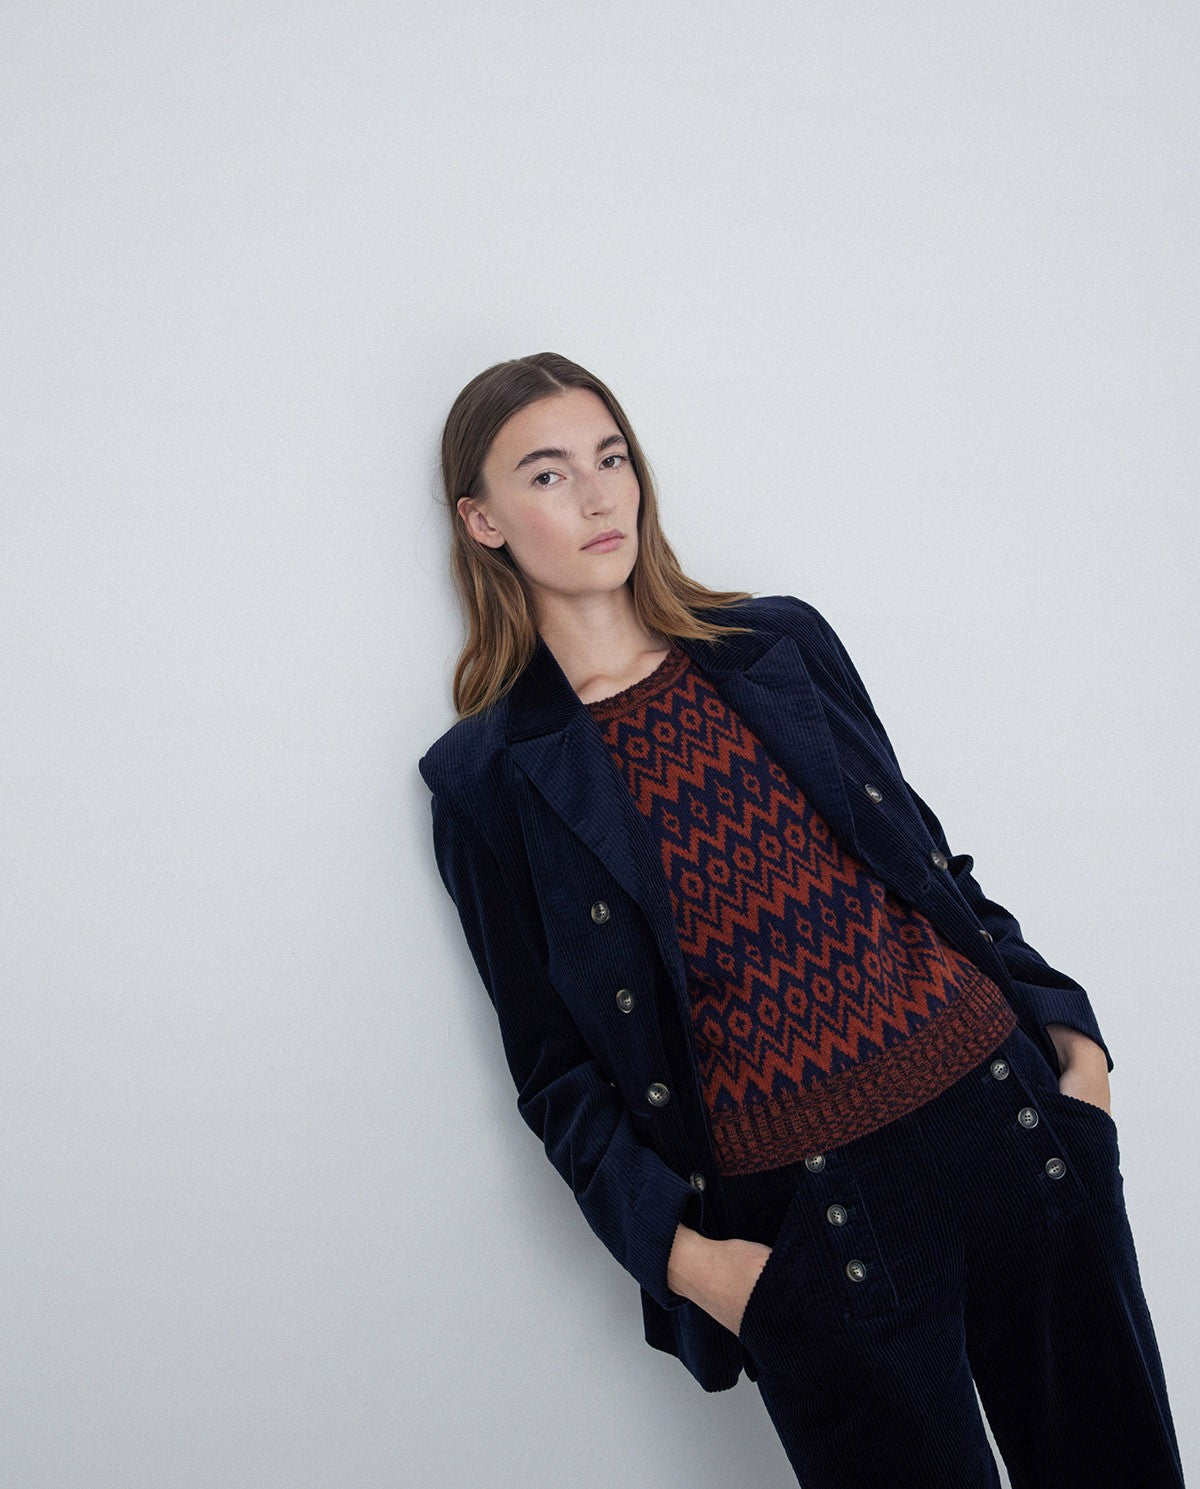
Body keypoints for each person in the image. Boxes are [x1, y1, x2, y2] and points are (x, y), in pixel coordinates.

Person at [417, 351, 1185, 1488]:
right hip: (815, 1230)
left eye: (612, 458)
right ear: (481, 520)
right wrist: (690, 1262)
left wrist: (1076, 1047)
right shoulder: (486, 779)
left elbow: (929, 865)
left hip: (1009, 1126)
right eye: (547, 474)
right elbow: (555, 1074)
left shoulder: (778, 645)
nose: (596, 496)